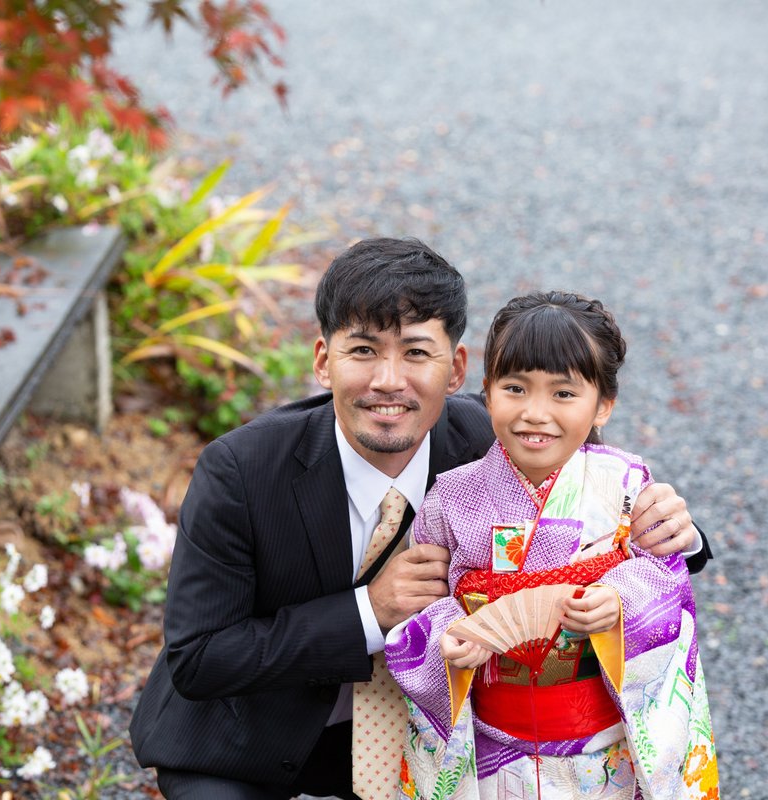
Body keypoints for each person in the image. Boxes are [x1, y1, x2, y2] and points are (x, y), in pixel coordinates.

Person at [129, 239, 710, 800]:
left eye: (415, 352)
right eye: (362, 350)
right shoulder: (241, 470)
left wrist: (677, 532)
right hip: (250, 734)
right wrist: (371, 611)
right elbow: (199, 657)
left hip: (433, 735)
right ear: (322, 360)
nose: (388, 380)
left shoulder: (503, 435)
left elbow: (603, 500)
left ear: (457, 369)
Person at [386, 291, 718, 799]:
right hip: (494, 746)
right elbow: (426, 608)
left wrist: (621, 603)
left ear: (603, 404)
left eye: (563, 394)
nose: (535, 413)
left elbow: (664, 574)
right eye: (515, 388)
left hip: (605, 746)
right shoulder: (451, 497)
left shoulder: (626, 482)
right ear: (487, 389)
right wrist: (447, 642)